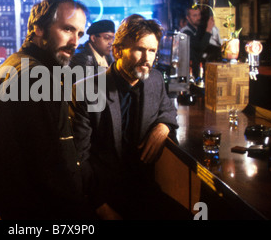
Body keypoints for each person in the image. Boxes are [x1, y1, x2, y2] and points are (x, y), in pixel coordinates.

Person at [0, 0, 90, 220]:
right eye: (67, 29)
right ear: (39, 29)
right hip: (30, 206)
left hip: (14, 199)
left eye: (80, 33)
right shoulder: (34, 76)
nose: (75, 41)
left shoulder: (20, 63)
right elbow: (48, 163)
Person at [70, 14, 191, 220]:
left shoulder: (154, 79)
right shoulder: (85, 90)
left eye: (152, 51)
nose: (147, 59)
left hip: (144, 190)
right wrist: (101, 207)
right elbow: (79, 159)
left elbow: (168, 110)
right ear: (117, 51)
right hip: (103, 194)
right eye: (139, 49)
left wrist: (163, 126)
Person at [181, 7, 214, 81]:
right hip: (188, 73)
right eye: (195, 16)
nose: (198, 18)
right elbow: (200, 47)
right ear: (188, 18)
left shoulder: (198, 30)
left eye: (199, 15)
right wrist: (208, 29)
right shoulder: (186, 32)